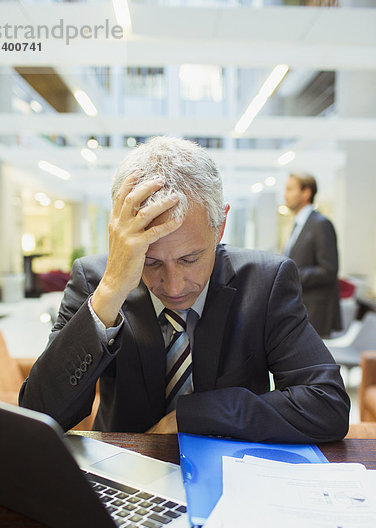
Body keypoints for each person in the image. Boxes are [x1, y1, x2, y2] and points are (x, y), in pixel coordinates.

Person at [19, 137, 349, 443]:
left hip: (233, 473)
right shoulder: (95, 282)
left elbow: (328, 404)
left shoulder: (265, 282)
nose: (174, 286)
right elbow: (40, 414)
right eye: (151, 262)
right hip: (124, 474)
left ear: (220, 226)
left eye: (191, 258)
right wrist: (111, 290)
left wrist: (193, 416)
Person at [284, 172, 342, 338]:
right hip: (300, 309)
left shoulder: (321, 224)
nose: (284, 194)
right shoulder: (298, 225)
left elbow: (328, 270)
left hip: (316, 313)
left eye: (289, 189)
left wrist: (291, 275)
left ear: (306, 193)